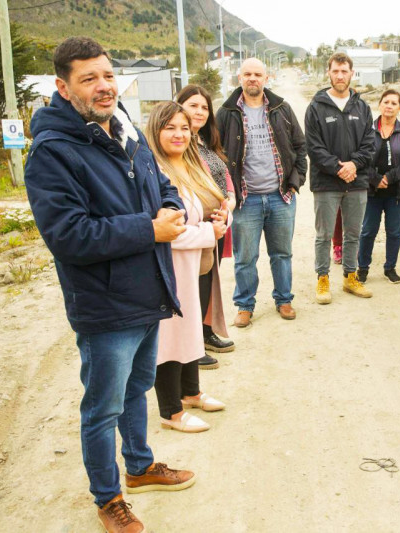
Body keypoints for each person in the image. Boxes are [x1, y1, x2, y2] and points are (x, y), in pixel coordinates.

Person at [24, 37, 194, 532]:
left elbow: (159, 185)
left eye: (107, 75)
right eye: (89, 79)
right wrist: (150, 229)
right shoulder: (53, 151)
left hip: (146, 292)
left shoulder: (124, 129)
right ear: (62, 86)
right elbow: (69, 236)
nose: (103, 87)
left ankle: (139, 467)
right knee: (102, 407)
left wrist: (172, 208)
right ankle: (108, 497)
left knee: (138, 388)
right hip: (104, 303)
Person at [144, 101, 233, 433]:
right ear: (156, 130)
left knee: (192, 329)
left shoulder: (192, 164)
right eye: (170, 128)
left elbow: (216, 202)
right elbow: (164, 230)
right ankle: (171, 411)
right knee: (170, 336)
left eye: (184, 127)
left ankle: (191, 393)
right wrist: (209, 232)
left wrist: (222, 218)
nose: (179, 134)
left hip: (197, 263)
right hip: (168, 268)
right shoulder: (152, 172)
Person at [216, 58, 307, 327]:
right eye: (247, 74)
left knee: (282, 253)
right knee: (245, 258)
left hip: (281, 196)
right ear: (239, 78)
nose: (252, 78)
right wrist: (228, 193)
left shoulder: (282, 108)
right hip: (246, 200)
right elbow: (217, 154)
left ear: (266, 78)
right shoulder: (226, 113)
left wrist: (295, 180)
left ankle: (284, 299)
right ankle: (244, 305)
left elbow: (300, 146)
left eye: (257, 74)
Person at [306, 52, 375, 303]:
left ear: (351, 73)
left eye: (344, 71)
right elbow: (314, 147)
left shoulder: (362, 106)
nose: (340, 75)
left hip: (356, 182)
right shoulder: (316, 107)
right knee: (324, 235)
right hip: (326, 183)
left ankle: (350, 277)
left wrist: (354, 165)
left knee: (353, 233)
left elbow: (370, 143)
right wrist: (339, 168)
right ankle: (322, 279)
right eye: (335, 71)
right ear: (329, 73)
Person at [176, 84, 235, 370]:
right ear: (179, 107)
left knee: (210, 281)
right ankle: (192, 344)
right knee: (192, 284)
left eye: (203, 107)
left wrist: (230, 203)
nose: (199, 112)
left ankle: (205, 331)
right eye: (192, 105)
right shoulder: (178, 143)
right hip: (194, 226)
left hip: (217, 224)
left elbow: (225, 178)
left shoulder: (205, 142)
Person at [357, 89, 400, 283]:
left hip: (398, 192)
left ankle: (390, 267)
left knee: (394, 231)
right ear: (379, 104)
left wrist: (389, 178)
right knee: (368, 230)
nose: (389, 106)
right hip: (371, 191)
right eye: (386, 102)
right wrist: (375, 179)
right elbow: (360, 157)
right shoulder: (367, 129)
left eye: (394, 103)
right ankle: (363, 268)